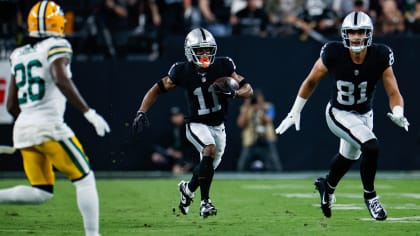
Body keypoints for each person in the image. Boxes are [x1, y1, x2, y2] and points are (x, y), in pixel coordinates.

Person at [275, 11, 409, 221]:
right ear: (344, 34)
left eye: (361, 32)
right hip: (339, 112)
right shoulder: (333, 52)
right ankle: (370, 196)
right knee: (371, 145)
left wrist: (398, 111)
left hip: (365, 113)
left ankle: (326, 186)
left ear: (369, 34)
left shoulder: (381, 54)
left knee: (349, 157)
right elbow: (311, 81)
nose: (356, 37)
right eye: (352, 32)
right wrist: (295, 111)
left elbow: (393, 91)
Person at [1, 1, 110, 236]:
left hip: (22, 128)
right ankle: (93, 235)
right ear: (56, 22)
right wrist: (88, 112)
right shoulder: (56, 44)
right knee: (85, 178)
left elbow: (11, 105)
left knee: (41, 192)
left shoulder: (18, 54)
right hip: (48, 126)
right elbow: (60, 78)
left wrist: (29, 122)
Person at [131, 27, 253, 218]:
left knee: (207, 166)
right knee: (209, 150)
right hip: (196, 123)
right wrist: (141, 111)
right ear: (190, 51)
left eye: (208, 50)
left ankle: (187, 190)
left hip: (218, 125)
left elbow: (248, 89)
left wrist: (236, 93)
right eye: (200, 50)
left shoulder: (224, 66)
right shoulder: (182, 70)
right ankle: (205, 203)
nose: (205, 54)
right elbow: (156, 88)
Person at [236, 89, 282, 171]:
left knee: (275, 165)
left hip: (266, 139)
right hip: (250, 140)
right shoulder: (246, 109)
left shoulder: (268, 106)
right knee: (242, 166)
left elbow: (268, 120)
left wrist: (259, 111)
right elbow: (241, 124)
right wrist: (246, 107)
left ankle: (277, 180)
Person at [150, 106, 196, 174]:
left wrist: (182, 154)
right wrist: (167, 150)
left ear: (183, 115)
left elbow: (193, 147)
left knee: (177, 170)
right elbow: (159, 143)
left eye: (178, 115)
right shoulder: (169, 128)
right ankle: (161, 175)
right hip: (172, 156)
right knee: (156, 157)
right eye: (174, 116)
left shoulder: (189, 128)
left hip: (187, 157)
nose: (176, 118)